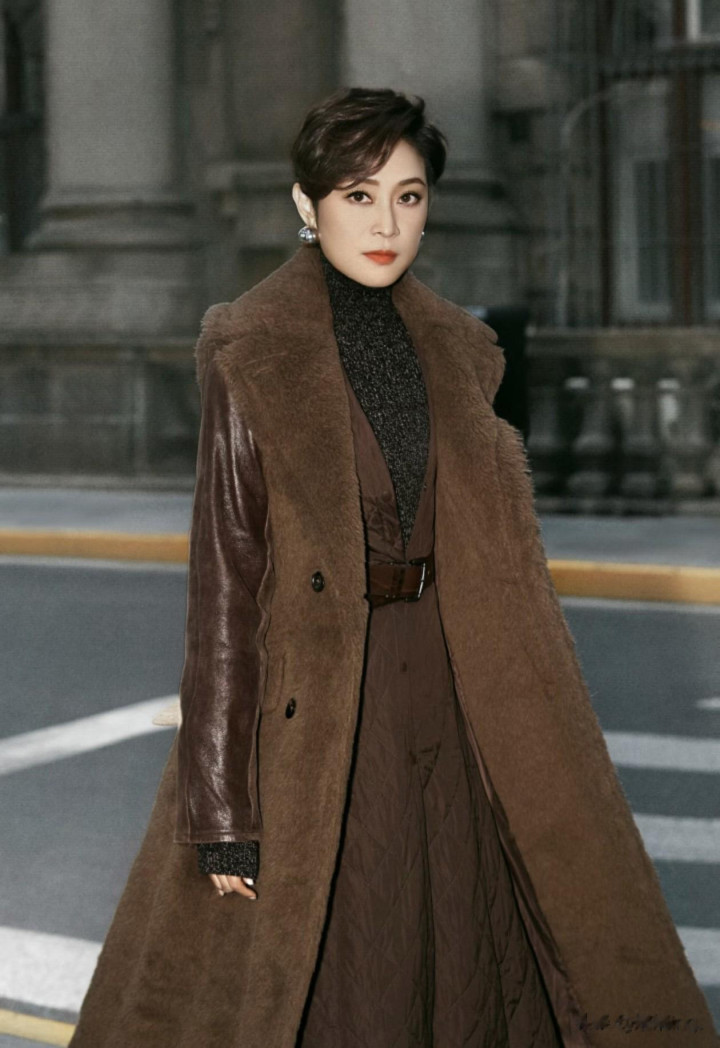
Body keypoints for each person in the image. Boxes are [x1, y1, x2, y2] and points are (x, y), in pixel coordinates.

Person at [69, 88, 716, 1048]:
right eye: (358, 195)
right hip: (328, 707)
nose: (385, 225)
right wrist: (219, 808)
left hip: (455, 694)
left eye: (407, 198)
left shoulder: (462, 350)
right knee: (355, 956)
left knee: (469, 950)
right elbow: (226, 593)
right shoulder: (253, 349)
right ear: (307, 203)